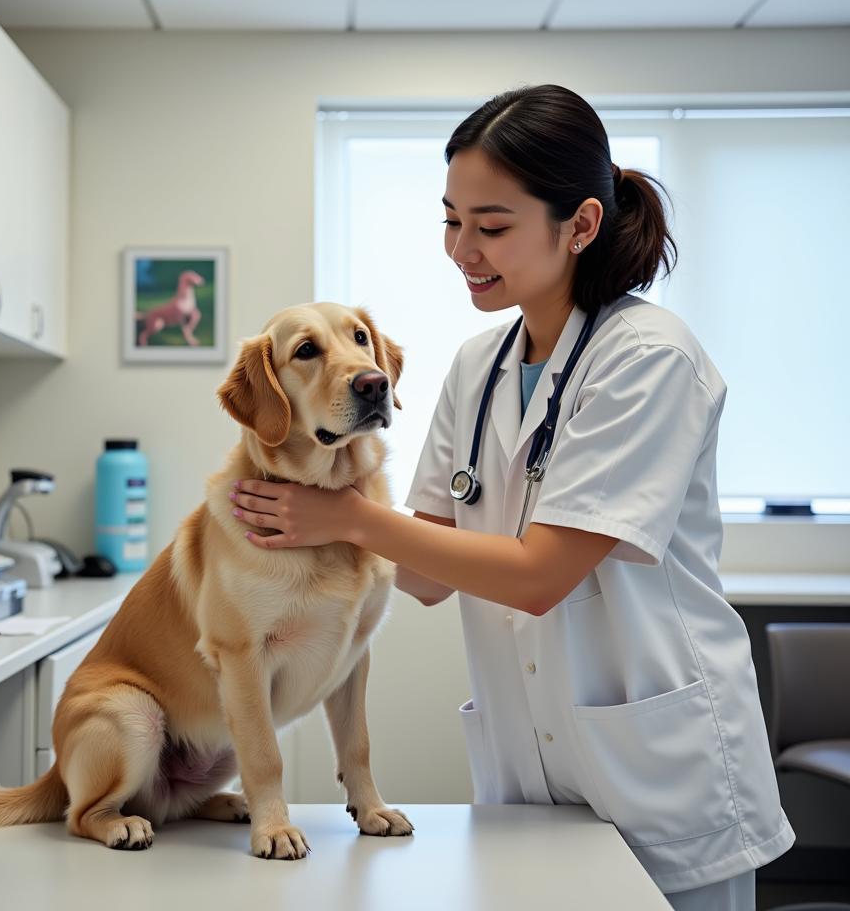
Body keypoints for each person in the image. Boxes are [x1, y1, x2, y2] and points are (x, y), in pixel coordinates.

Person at [229, 84, 793, 910]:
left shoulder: (650, 359)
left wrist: (347, 516)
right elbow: (422, 574)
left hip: (659, 779)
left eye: (492, 227)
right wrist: (313, 471)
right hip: (527, 778)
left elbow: (538, 576)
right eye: (451, 221)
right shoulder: (477, 366)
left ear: (582, 226)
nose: (463, 250)